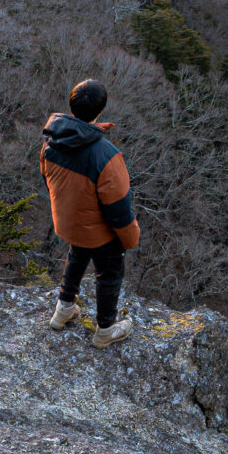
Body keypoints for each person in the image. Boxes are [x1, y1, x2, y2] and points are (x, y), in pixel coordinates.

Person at [40, 79, 139, 348]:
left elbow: (52, 181)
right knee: (109, 272)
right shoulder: (107, 156)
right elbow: (119, 210)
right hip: (97, 232)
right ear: (101, 109)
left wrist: (90, 131)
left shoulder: (52, 141)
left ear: (72, 106)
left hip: (68, 223)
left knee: (78, 252)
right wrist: (130, 238)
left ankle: (63, 310)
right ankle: (105, 330)